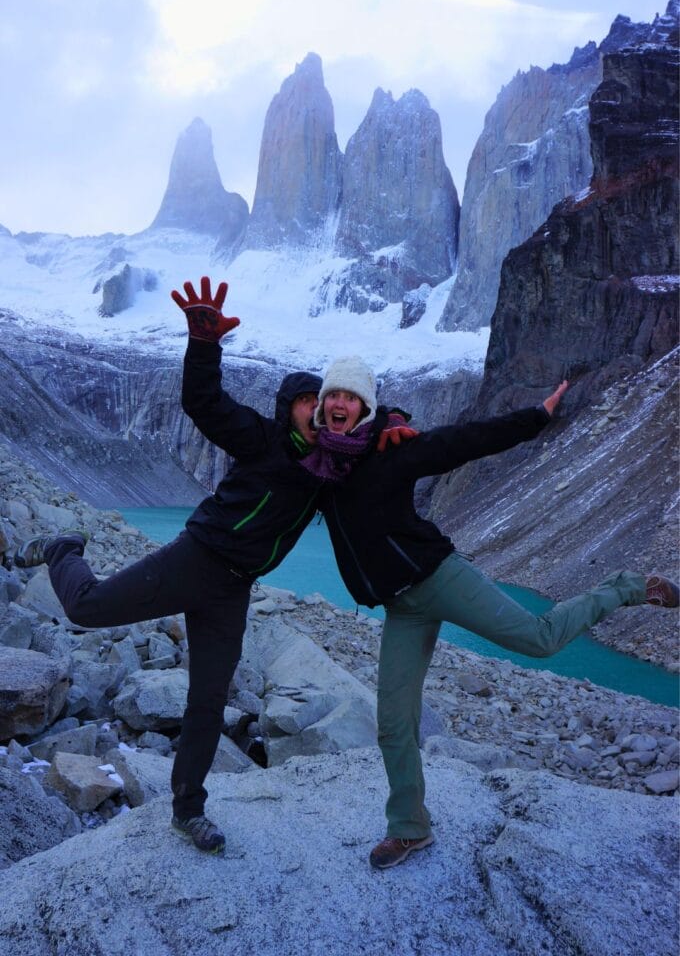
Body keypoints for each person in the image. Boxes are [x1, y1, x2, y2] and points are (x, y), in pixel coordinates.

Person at [13, 280, 411, 855]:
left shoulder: (330, 472)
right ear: (291, 408)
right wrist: (203, 345)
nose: (319, 408)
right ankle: (61, 550)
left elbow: (372, 434)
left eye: (321, 403)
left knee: (207, 702)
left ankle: (187, 811)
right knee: (84, 607)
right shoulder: (262, 439)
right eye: (308, 401)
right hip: (194, 559)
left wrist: (395, 415)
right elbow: (204, 403)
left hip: (231, 592)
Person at [305, 354, 679, 870]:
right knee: (393, 723)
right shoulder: (320, 469)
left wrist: (537, 416)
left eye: (350, 396)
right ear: (321, 408)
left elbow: (467, 441)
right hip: (400, 607)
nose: (339, 403)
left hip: (440, 578)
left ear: (365, 406)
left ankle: (628, 586)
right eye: (332, 396)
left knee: (540, 639)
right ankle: (410, 828)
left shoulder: (393, 450)